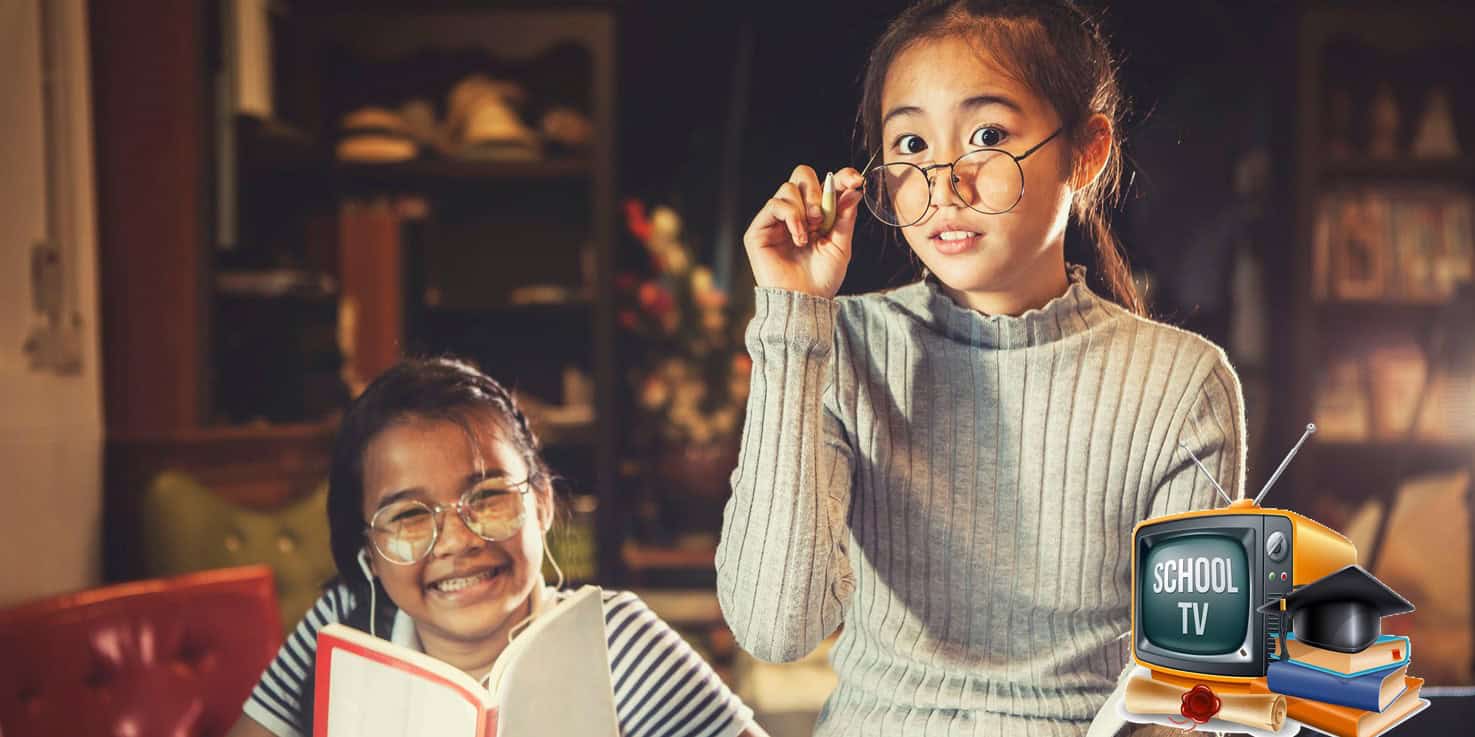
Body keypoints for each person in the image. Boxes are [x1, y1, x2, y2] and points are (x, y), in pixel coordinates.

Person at [715, 1, 1246, 736]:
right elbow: (777, 626)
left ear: (1085, 152)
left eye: (987, 135)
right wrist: (790, 319)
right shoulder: (839, 344)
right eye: (909, 143)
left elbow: (1196, 687)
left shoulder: (1180, 381)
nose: (944, 184)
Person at [228, 357, 765, 737]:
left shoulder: (616, 640)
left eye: (487, 498)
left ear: (542, 503)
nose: (459, 540)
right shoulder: (344, 627)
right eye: (410, 515)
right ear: (368, 549)